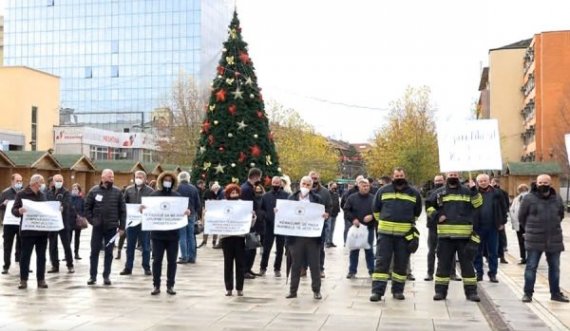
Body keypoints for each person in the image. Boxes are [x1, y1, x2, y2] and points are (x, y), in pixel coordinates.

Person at [425, 172, 482, 302]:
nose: (453, 176)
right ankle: (440, 292)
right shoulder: (439, 192)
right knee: (443, 265)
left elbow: (478, 204)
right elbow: (428, 206)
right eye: (451, 174)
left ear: (458, 176)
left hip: (464, 236)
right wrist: (437, 216)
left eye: (455, 174)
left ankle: (471, 293)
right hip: (446, 237)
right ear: (447, 176)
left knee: (467, 266)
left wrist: (474, 190)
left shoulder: (468, 191)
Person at [370, 167, 422, 302]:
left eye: (401, 175)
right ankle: (377, 292)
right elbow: (376, 209)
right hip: (385, 234)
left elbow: (417, 212)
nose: (399, 177)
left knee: (401, 263)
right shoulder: (383, 190)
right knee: (381, 263)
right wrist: (383, 222)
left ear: (405, 176)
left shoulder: (414, 193)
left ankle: (398, 291)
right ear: (393, 177)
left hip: (404, 236)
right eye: (397, 175)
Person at [519, 174, 569, 303]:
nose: (542, 184)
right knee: (531, 267)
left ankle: (555, 293)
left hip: (554, 238)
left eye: (545, 182)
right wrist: (530, 230)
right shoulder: (528, 198)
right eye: (540, 182)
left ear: (550, 183)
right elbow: (521, 217)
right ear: (536, 183)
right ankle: (528, 293)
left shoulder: (557, 198)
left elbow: (561, 215)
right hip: (534, 238)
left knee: (555, 268)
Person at [145, 172, 191, 295]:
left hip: (172, 235)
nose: (167, 182)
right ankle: (156, 285)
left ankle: (170, 285)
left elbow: (184, 210)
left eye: (170, 180)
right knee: (157, 261)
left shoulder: (177, 196)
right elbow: (148, 210)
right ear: (161, 181)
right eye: (165, 180)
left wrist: (187, 211)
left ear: (174, 182)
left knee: (172, 261)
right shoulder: (154, 196)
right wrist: (142, 209)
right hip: (157, 235)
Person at [286, 176, 327, 300]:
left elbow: (323, 214)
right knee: (296, 265)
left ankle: (316, 290)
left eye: (308, 184)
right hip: (296, 237)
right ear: (300, 184)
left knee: (314, 265)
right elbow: (286, 213)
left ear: (312, 186)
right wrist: (279, 212)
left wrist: (325, 215)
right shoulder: (292, 198)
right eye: (303, 183)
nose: (305, 186)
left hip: (312, 238)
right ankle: (293, 291)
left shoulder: (317, 199)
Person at [85, 169, 126, 286]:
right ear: (102, 178)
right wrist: (92, 221)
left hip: (112, 228)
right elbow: (87, 208)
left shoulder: (118, 192)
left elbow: (123, 211)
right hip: (98, 228)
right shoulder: (94, 191)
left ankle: (106, 276)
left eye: (112, 177)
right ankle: (92, 276)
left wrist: (122, 227)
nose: (111, 179)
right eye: (109, 177)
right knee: (94, 252)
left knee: (109, 252)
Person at [12, 174, 48, 289]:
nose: (42, 185)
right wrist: (19, 211)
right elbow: (14, 210)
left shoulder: (43, 195)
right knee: (25, 256)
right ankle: (23, 280)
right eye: (41, 183)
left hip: (41, 232)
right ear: (34, 183)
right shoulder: (21, 194)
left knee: (41, 256)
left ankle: (41, 280)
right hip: (28, 232)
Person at [220, 184, 256, 296]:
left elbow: (250, 224)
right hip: (226, 237)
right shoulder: (221, 205)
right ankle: (229, 288)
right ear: (228, 194)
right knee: (228, 263)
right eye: (232, 192)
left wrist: (253, 217)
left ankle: (240, 288)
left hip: (240, 237)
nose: (234, 195)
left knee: (240, 264)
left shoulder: (243, 205)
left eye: (236, 192)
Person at [472, 174, 507, 283]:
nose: (483, 182)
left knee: (493, 251)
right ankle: (479, 273)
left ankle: (493, 273)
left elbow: (504, 207)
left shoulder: (497, 193)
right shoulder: (473, 193)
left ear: (489, 181)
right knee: (477, 251)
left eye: (485, 180)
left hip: (493, 226)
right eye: (480, 181)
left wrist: (502, 221)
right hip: (478, 227)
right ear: (477, 182)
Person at [120, 171, 154, 276]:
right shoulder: (129, 190)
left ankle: (146, 267)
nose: (138, 178)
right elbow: (123, 203)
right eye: (136, 177)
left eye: (140, 177)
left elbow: (154, 206)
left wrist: (146, 208)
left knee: (146, 246)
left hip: (144, 223)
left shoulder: (150, 191)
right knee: (130, 246)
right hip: (131, 222)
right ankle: (128, 267)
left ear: (145, 178)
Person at [343, 179, 375, 278]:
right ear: (359, 186)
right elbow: (346, 210)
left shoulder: (373, 198)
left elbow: (380, 211)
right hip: (356, 228)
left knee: (369, 250)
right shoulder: (352, 198)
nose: (366, 188)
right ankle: (352, 271)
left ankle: (372, 271)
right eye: (363, 186)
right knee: (354, 250)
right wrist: (353, 219)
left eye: (367, 186)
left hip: (369, 228)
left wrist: (372, 216)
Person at [259, 176, 290, 277]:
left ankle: (277, 269)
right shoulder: (266, 196)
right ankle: (263, 268)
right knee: (266, 248)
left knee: (280, 249)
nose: (276, 185)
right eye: (274, 183)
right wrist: (266, 216)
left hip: (281, 226)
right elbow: (261, 209)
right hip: (269, 226)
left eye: (278, 183)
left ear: (281, 184)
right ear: (271, 183)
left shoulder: (286, 196)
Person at [46, 174, 75, 274]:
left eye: (60, 180)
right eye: (56, 180)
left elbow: (67, 204)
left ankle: (70, 265)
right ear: (53, 182)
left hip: (63, 223)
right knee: (52, 245)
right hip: (52, 223)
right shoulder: (49, 193)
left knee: (66, 245)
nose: (58, 182)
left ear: (63, 181)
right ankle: (54, 265)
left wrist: (62, 207)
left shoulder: (66, 192)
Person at [308, 170, 331, 278]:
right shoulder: (303, 191)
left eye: (316, 178)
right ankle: (303, 268)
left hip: (319, 225)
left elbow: (329, 206)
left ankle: (320, 269)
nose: (314, 180)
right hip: (305, 226)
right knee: (304, 247)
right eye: (312, 178)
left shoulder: (325, 192)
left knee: (319, 248)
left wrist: (327, 213)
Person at [241, 168, 263, 279]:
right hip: (249, 222)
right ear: (255, 176)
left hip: (252, 221)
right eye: (259, 177)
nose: (260, 179)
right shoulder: (246, 189)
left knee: (253, 246)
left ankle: (248, 268)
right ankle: (245, 270)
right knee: (250, 247)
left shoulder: (249, 187)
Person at [176, 171, 202, 264]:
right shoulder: (193, 188)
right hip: (191, 213)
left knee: (182, 235)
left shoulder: (177, 188)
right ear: (188, 178)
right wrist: (195, 212)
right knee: (191, 235)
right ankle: (192, 257)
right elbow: (198, 204)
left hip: (180, 214)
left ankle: (184, 256)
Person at [1, 173, 24, 274]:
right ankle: (6, 266)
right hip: (9, 224)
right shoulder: (5, 193)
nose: (19, 183)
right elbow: (0, 206)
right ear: (12, 181)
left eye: (20, 181)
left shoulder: (24, 192)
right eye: (17, 181)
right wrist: (3, 204)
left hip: (20, 222)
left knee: (22, 245)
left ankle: (22, 264)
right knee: (7, 245)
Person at [424, 174, 445, 281]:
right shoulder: (430, 193)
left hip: (447, 225)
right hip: (433, 225)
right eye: (436, 181)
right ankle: (430, 273)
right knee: (431, 250)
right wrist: (437, 216)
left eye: (440, 180)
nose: (438, 182)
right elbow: (428, 208)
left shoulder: (448, 192)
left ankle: (451, 273)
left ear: (444, 181)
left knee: (447, 251)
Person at [509, 184, 529, 264]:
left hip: (527, 223)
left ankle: (526, 257)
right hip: (520, 223)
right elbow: (511, 210)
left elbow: (511, 210)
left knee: (525, 241)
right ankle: (523, 257)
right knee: (522, 241)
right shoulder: (516, 199)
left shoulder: (530, 198)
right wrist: (514, 221)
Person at [198, 181, 223, 248]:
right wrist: (204, 206)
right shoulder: (207, 192)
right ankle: (204, 241)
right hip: (208, 211)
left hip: (217, 211)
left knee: (216, 226)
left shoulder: (220, 192)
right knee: (207, 225)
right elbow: (203, 200)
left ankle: (214, 241)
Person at [491, 178, 510, 264]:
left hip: (499, 219)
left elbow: (505, 206)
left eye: (495, 182)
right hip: (490, 219)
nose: (494, 184)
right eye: (492, 182)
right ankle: (490, 256)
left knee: (500, 238)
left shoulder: (502, 193)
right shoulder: (487, 193)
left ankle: (502, 256)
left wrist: (503, 220)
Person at [69, 183, 85, 260]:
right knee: (69, 238)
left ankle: (76, 253)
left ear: (79, 190)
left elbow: (84, 209)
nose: (75, 190)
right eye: (73, 189)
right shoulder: (69, 198)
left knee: (77, 238)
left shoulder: (81, 199)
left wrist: (81, 215)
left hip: (78, 221)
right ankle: (67, 254)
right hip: (70, 220)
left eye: (76, 189)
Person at [326, 181, 340, 248]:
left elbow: (337, 202)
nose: (334, 188)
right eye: (333, 187)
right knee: (328, 228)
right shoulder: (327, 193)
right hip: (329, 214)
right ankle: (327, 242)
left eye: (335, 187)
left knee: (332, 229)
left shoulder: (336, 194)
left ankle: (331, 241)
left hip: (335, 213)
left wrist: (338, 210)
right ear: (330, 186)